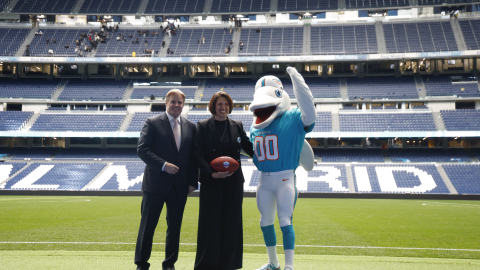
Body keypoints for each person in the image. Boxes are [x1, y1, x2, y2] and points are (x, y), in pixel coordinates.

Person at [249, 67, 316, 270]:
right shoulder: (255, 127)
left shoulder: (292, 117)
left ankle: (289, 266)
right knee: (265, 221)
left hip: (286, 179)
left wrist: (297, 80)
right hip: (264, 180)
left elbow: (309, 114)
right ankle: (273, 263)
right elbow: (252, 151)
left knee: (285, 221)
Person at [135, 89, 199, 270]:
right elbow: (143, 149)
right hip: (155, 184)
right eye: (173, 102)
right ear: (166, 102)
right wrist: (164, 165)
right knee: (147, 226)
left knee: (175, 228)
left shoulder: (190, 126)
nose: (176, 105)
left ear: (183, 105)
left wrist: (193, 182)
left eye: (180, 102)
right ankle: (141, 263)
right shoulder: (153, 122)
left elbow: (193, 157)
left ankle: (169, 263)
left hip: (179, 187)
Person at [193, 91, 254, 270]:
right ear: (213, 106)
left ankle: (229, 263)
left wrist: (265, 155)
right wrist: (212, 173)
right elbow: (196, 154)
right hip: (212, 181)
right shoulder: (203, 126)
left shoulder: (237, 125)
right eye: (220, 104)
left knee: (232, 223)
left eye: (226, 104)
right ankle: (207, 263)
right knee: (210, 222)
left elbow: (249, 148)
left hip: (233, 182)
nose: (223, 108)